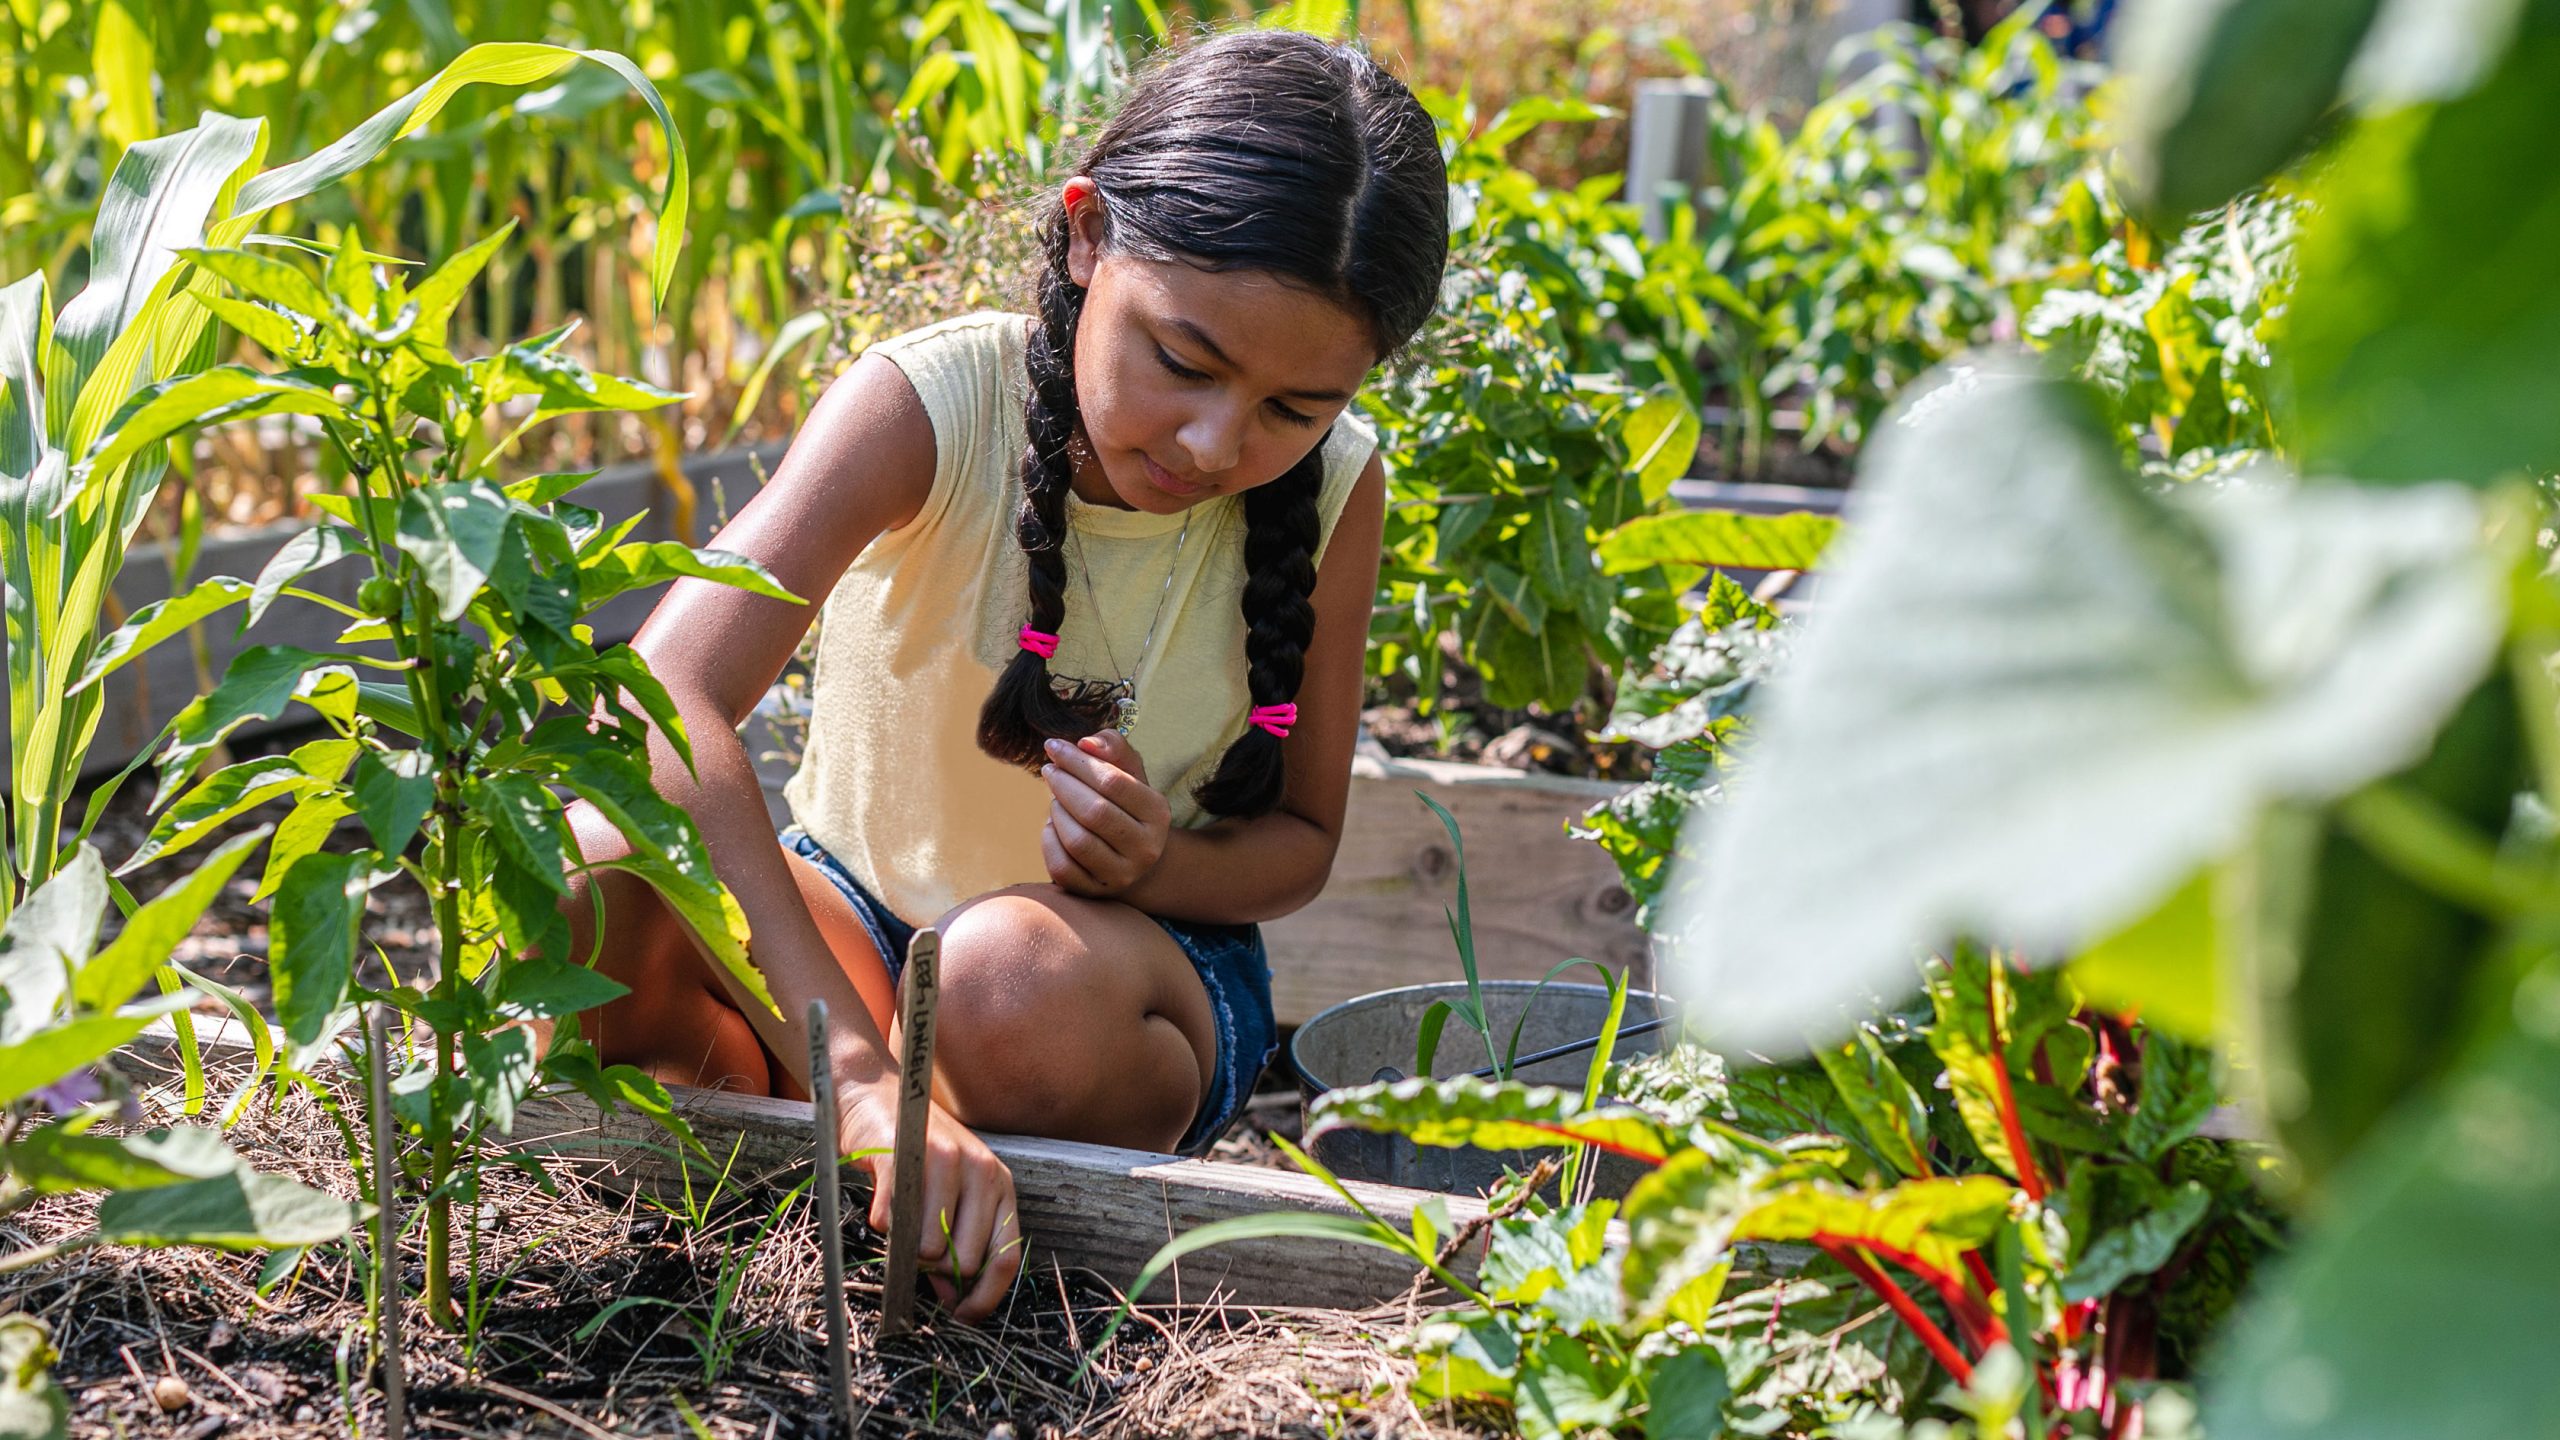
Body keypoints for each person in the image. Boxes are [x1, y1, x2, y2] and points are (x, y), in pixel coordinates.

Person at [555, 27, 1450, 1323]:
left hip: (1120, 981)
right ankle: (862, 1146)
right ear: (1088, 238)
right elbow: (657, 698)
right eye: (1184, 361)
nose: (1214, 442)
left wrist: (1158, 867)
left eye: (1290, 411)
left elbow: (1302, 840)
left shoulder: (1337, 493)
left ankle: (867, 1137)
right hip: (855, 932)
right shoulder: (927, 407)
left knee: (999, 988)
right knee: (596, 874)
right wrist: (862, 1073)